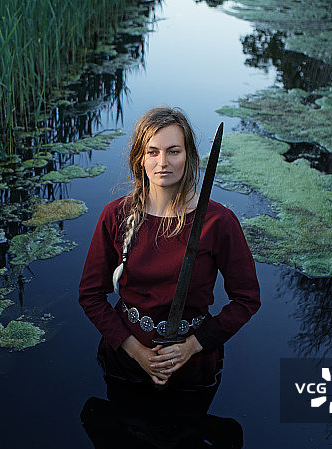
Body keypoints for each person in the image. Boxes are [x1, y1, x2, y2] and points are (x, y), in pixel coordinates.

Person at [78, 106, 261, 390]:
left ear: (189, 156)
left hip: (193, 366)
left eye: (173, 151)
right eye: (152, 152)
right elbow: (90, 295)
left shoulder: (218, 222)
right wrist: (136, 351)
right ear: (140, 158)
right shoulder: (115, 215)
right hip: (124, 360)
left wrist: (194, 345)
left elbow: (246, 299)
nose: (162, 162)